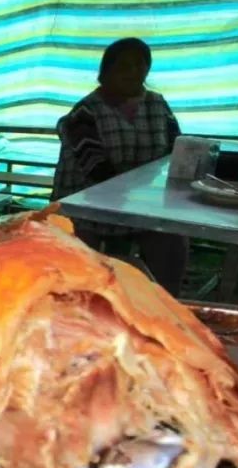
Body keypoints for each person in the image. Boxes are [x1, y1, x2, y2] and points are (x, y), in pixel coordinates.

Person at [52, 37, 188, 295]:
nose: (133, 72)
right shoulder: (85, 113)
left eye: (140, 66)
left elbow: (176, 150)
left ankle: (165, 305)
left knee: (172, 243)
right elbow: (97, 170)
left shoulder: (157, 105)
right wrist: (141, 197)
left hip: (140, 203)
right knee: (79, 269)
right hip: (86, 204)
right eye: (124, 66)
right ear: (106, 72)